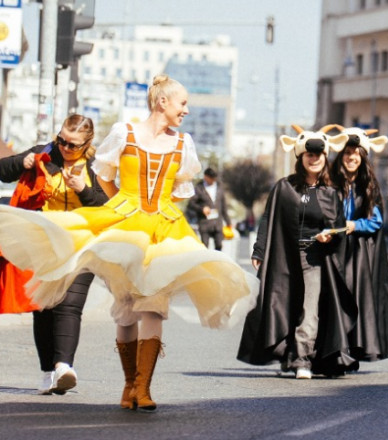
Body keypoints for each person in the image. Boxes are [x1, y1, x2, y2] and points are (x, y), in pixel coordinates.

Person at [0, 75, 258, 412]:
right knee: (126, 308)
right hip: (125, 218)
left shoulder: (184, 144)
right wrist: (121, 206)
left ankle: (142, 386)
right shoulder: (125, 133)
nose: (187, 110)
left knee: (154, 305)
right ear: (162, 102)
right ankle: (127, 385)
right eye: (182, 103)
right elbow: (105, 176)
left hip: (164, 227)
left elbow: (181, 189)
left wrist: (157, 210)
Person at [0, 114, 108, 395]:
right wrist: (19, 163)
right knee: (44, 307)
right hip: (43, 244)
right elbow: (2, 171)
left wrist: (83, 190)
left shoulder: (97, 167)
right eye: (61, 139)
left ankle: (64, 367)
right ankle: (48, 371)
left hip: (81, 244)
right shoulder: (43, 153)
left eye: (72, 144)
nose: (64, 147)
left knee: (69, 305)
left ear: (87, 143)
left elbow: (108, 206)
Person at [237, 126, 356, 379]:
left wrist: (329, 234)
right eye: (309, 155)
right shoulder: (284, 187)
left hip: (315, 258)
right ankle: (287, 355)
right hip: (285, 256)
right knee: (282, 306)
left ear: (325, 158)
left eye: (319, 155)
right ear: (300, 158)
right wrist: (259, 250)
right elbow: (268, 219)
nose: (314, 159)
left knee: (309, 309)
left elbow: (339, 228)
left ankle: (303, 359)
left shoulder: (330, 192)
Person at [330, 127, 388, 367]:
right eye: (347, 153)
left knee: (356, 299)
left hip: (359, 253)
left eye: (356, 153)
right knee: (333, 299)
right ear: (341, 156)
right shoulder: (330, 184)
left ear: (363, 157)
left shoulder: (369, 186)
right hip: (332, 249)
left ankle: (352, 349)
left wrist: (354, 225)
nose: (352, 157)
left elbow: (376, 221)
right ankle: (335, 349)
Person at [189, 167, 231, 251]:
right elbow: (191, 204)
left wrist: (228, 221)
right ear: (205, 177)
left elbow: (223, 206)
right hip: (204, 223)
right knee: (204, 247)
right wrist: (202, 209)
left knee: (219, 245)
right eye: (211, 178)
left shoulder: (219, 188)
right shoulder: (199, 188)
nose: (212, 181)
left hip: (217, 223)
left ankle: (217, 263)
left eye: (214, 178)